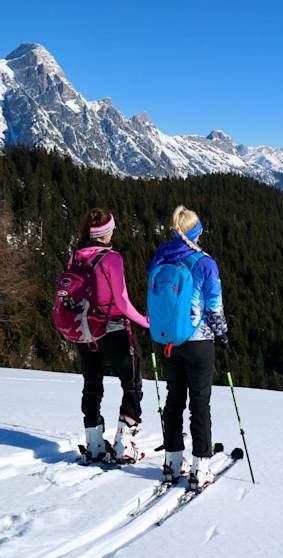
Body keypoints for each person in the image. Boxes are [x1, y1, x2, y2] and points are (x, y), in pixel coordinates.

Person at [149, 205, 228, 490]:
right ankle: (201, 466)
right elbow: (215, 306)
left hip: (169, 339)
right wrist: (223, 335)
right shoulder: (205, 263)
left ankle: (172, 461)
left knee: (174, 400)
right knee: (199, 402)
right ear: (197, 232)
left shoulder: (161, 256)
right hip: (198, 341)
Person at [72, 209, 150, 462]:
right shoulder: (112, 258)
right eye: (112, 228)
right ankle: (123, 444)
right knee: (132, 383)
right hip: (113, 327)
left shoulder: (76, 256)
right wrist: (146, 322)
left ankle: (94, 444)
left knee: (92, 384)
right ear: (105, 233)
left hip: (84, 330)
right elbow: (123, 302)